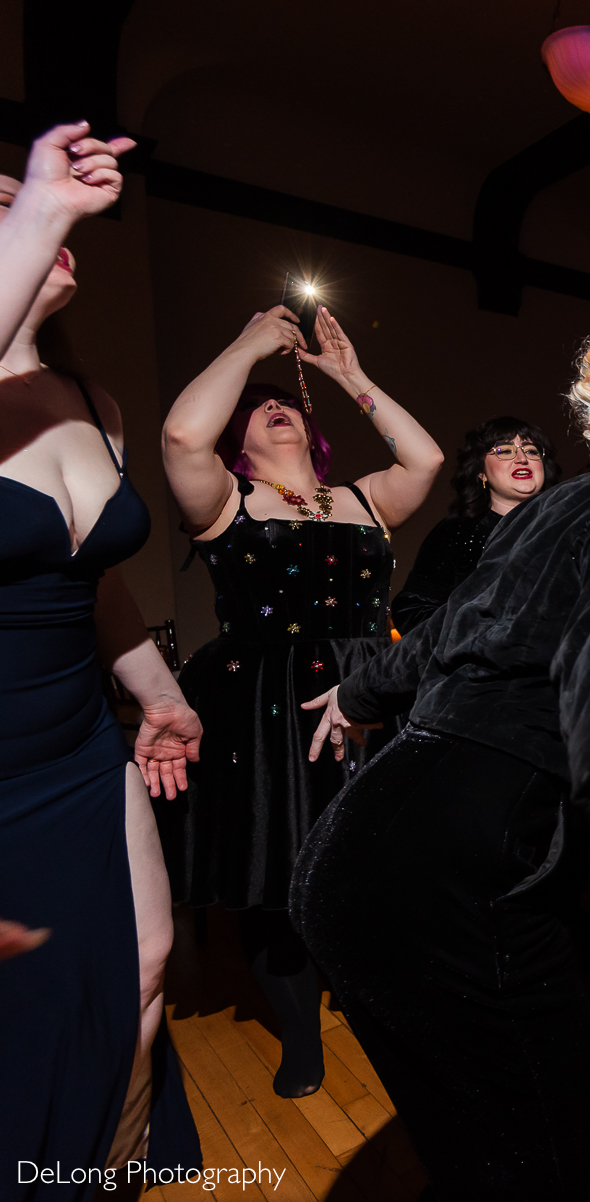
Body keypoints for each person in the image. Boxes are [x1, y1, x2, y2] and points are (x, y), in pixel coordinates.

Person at [292, 312, 590, 1201]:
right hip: (457, 873)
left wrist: (360, 694)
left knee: (479, 1151)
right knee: (561, 1159)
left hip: (360, 855)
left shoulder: (558, 502)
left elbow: (455, 627)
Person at [157, 304, 443, 1097]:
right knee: (275, 872)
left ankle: (372, 994)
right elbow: (183, 436)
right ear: (236, 440)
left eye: (283, 402)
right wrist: (248, 348)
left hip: (368, 693)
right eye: (254, 408)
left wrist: (351, 378)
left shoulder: (363, 497)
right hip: (263, 707)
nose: (272, 406)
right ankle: (299, 1032)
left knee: (370, 866)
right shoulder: (225, 501)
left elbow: (426, 458)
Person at [1, 128, 203, 1179]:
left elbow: (99, 583)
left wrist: (158, 696)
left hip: (81, 740)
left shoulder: (96, 404)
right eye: (3, 206)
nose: (34, 212)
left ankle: (100, 1171)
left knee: (143, 966)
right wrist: (39, 203)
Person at [391, 416, 561, 633]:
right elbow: (411, 610)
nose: (522, 459)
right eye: (505, 451)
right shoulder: (456, 532)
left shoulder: (567, 528)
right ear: (481, 472)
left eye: (532, 451)